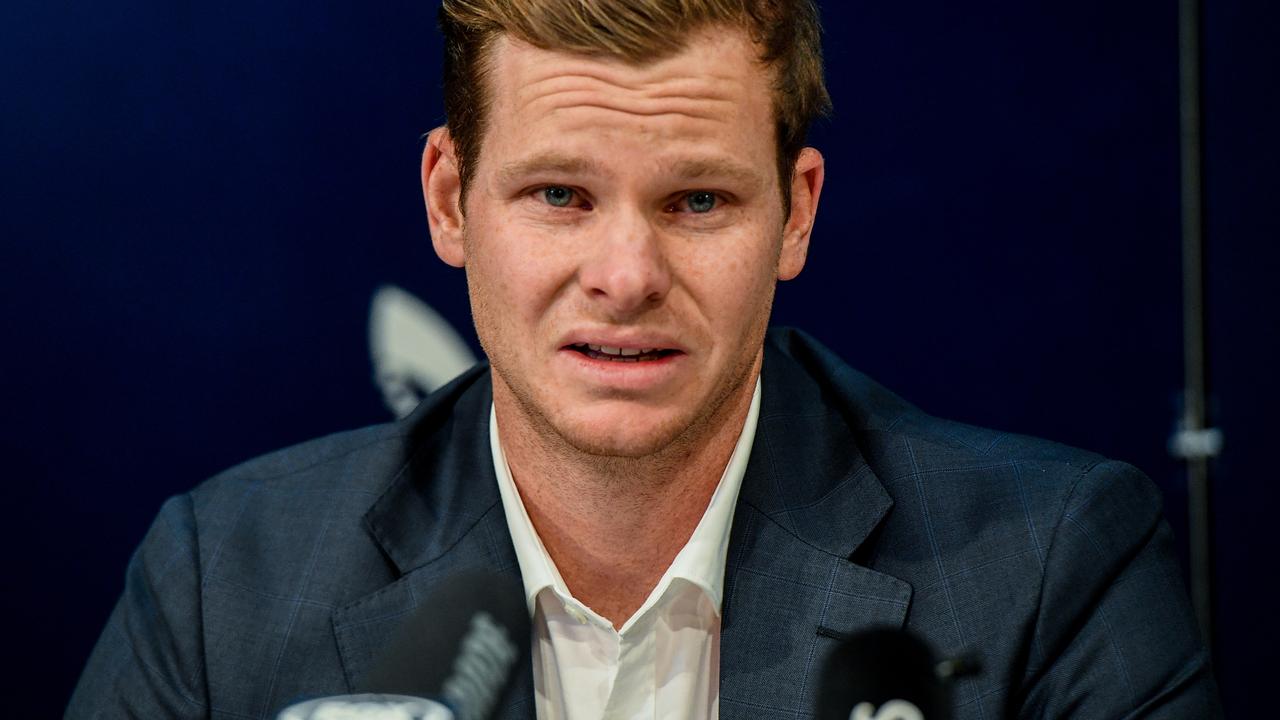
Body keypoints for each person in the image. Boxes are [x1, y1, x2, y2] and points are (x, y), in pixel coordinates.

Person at [68, 0, 1221, 718]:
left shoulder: (1048, 573)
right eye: (560, 194)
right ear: (449, 198)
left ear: (796, 213)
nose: (624, 275)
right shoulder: (227, 582)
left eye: (697, 199)